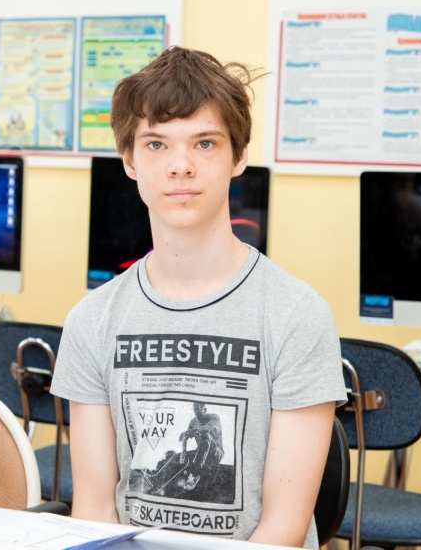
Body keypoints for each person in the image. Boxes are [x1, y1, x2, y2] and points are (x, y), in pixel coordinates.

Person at [51, 46, 346, 548]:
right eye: (157, 144)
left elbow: (283, 531)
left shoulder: (296, 315)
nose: (180, 166)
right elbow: (96, 511)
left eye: (205, 143)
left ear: (239, 156)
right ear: (129, 161)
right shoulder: (92, 320)